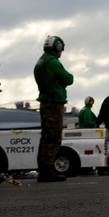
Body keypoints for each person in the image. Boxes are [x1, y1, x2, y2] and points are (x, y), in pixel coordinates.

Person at [33, 34, 74, 182]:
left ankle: (44, 169)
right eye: (61, 49)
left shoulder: (41, 61)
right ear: (56, 47)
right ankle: (47, 170)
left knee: (45, 137)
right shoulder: (53, 62)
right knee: (53, 137)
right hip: (54, 103)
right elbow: (69, 79)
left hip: (46, 103)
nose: (61, 52)